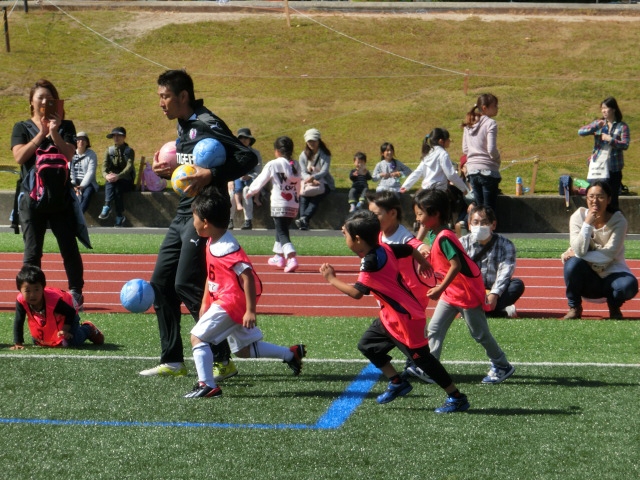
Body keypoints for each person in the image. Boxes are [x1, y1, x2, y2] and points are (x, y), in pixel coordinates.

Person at [140, 69, 258, 379]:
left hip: (204, 216)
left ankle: (222, 359)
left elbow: (247, 157)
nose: (161, 103)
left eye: (165, 96)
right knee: (161, 284)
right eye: (159, 97)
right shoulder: (183, 125)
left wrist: (211, 175)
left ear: (182, 97)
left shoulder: (207, 122)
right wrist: (172, 171)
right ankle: (173, 361)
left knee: (186, 285)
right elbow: (193, 166)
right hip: (182, 213)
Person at [319, 210, 470, 413]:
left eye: (345, 235)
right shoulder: (383, 248)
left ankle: (457, 397)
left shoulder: (371, 260)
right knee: (368, 345)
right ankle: (397, 381)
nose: (343, 237)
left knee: (423, 360)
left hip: (406, 318)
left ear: (357, 239)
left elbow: (356, 293)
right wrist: (423, 261)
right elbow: (408, 249)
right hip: (390, 316)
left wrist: (331, 278)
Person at [184, 188, 306, 398]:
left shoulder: (227, 247)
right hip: (225, 301)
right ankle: (290, 354)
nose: (192, 222)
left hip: (231, 303)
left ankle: (207, 385)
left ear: (205, 222)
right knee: (243, 350)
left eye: (193, 217)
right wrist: (205, 302)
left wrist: (250, 310)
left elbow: (247, 276)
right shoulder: (213, 240)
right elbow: (212, 276)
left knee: (197, 337)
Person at [414, 187, 515, 384]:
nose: (417, 218)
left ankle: (502, 365)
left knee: (480, 334)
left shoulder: (444, 237)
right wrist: (426, 262)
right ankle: (431, 367)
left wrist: (440, 288)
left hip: (465, 292)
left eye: (420, 213)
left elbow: (456, 265)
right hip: (452, 292)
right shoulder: (435, 234)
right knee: (434, 328)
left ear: (434, 214)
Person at [10, 79, 90, 310]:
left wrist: (54, 133)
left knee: (69, 248)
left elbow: (68, 155)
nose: (45, 101)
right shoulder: (21, 127)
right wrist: (40, 135)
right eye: (41, 97)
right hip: (32, 200)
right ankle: (31, 297)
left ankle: (76, 294)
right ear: (32, 102)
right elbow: (19, 157)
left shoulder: (66, 125)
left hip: (60, 198)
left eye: (50, 98)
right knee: (32, 252)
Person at [367, 190, 436, 384]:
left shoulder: (401, 236)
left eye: (376, 214)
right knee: (401, 332)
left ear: (392, 213)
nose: (372, 218)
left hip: (411, 294)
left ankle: (424, 368)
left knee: (407, 335)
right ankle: (415, 365)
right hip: (396, 295)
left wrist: (423, 250)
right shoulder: (381, 233)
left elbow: (414, 244)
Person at [560, 181, 638, 320]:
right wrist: (587, 224)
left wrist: (577, 254)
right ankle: (574, 307)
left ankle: (614, 307)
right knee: (571, 264)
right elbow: (579, 248)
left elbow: (608, 255)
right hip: (589, 279)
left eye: (600, 197)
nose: (595, 201)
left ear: (609, 199)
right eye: (591, 197)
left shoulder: (619, 221)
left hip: (613, 274)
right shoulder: (578, 217)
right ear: (586, 198)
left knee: (629, 286)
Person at [401, 128, 470, 241]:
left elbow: (417, 172)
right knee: (438, 222)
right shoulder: (442, 154)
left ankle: (418, 244)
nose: (449, 142)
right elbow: (451, 174)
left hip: (425, 192)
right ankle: (438, 245)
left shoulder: (428, 154)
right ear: (441, 141)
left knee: (426, 222)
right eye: (448, 140)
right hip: (438, 193)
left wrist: (405, 186)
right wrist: (464, 188)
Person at [12, 265, 103, 349]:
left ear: (43, 288)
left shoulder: (53, 300)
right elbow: (19, 320)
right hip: (52, 318)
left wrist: (65, 330)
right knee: (39, 341)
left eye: (36, 289)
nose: (32, 295)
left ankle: (88, 328)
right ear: (20, 290)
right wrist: (18, 343)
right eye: (27, 291)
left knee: (71, 342)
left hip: (69, 315)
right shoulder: (21, 300)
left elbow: (70, 313)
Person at [246, 136, 301, 273]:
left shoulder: (274, 164)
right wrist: (297, 198)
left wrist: (251, 191)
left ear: (277, 151)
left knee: (282, 231)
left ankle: (291, 257)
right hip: (293, 203)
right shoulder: (296, 165)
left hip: (279, 203)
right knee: (281, 229)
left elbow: (261, 179)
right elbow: (299, 184)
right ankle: (279, 256)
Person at [460, 205, 524, 318]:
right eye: (475, 222)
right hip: (471, 290)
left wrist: (494, 294)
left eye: (484, 223)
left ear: (493, 225)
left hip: (495, 291)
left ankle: (477, 312)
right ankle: (498, 312)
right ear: (469, 226)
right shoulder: (461, 244)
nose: (479, 226)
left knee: (517, 285)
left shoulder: (506, 244)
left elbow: (505, 272)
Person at [578, 97, 630, 211]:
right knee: (595, 201)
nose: (603, 111)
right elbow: (581, 132)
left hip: (613, 169)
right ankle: (595, 225)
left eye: (606, 108)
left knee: (612, 202)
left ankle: (613, 226)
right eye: (602, 108)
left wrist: (610, 139)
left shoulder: (622, 126)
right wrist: (596, 126)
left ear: (614, 109)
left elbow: (625, 145)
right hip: (598, 169)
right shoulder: (598, 123)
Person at [462, 93, 501, 213]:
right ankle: (489, 230)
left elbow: (465, 150)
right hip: (487, 171)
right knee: (489, 209)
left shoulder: (469, 124)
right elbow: (491, 149)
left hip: (472, 170)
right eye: (495, 106)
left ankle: (478, 230)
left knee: (478, 209)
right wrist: (497, 158)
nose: (497, 108)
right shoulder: (490, 123)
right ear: (485, 108)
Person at [295, 128, 335, 231]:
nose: (311, 143)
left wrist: (314, 177)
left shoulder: (325, 154)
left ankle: (304, 218)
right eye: (309, 141)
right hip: (308, 182)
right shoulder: (303, 155)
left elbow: (324, 171)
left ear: (319, 140)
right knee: (303, 196)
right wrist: (310, 179)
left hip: (324, 182)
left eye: (313, 141)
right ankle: (303, 221)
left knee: (316, 197)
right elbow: (302, 171)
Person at [99, 127, 135, 228]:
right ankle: (108, 207)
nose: (116, 138)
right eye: (114, 136)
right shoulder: (109, 151)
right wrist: (107, 176)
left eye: (119, 135)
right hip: (113, 180)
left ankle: (116, 213)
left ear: (124, 137)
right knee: (110, 182)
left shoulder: (129, 151)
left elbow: (129, 167)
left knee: (118, 188)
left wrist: (118, 176)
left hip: (126, 179)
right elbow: (104, 167)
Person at [229, 127, 263, 230]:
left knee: (246, 191)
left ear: (250, 140)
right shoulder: (233, 152)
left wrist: (250, 176)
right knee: (231, 192)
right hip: (235, 179)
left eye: (246, 138)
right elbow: (228, 169)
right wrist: (230, 180)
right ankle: (229, 220)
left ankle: (248, 221)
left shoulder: (255, 153)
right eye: (241, 138)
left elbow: (259, 170)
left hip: (251, 180)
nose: (243, 140)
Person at [70, 131, 99, 214]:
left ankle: (79, 216)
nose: (81, 142)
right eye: (78, 140)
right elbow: (70, 169)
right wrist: (73, 184)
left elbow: (91, 172)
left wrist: (82, 186)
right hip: (74, 181)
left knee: (87, 194)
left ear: (87, 142)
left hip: (88, 183)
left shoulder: (92, 154)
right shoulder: (71, 152)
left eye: (83, 140)